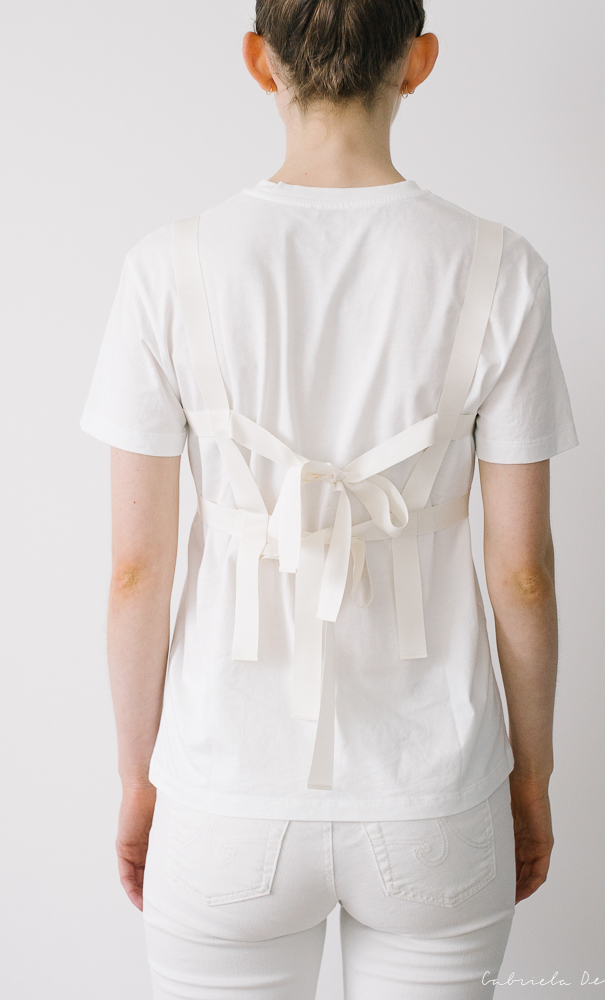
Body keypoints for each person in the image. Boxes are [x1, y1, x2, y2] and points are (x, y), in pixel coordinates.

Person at [81, 1, 578, 997]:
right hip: (433, 795)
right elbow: (521, 572)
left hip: (226, 795)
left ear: (259, 61)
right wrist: (530, 776)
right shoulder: (500, 268)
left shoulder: (166, 268)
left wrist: (140, 781)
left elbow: (137, 570)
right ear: (419, 61)